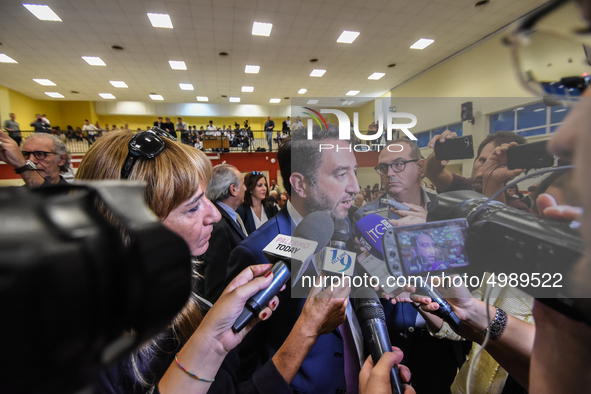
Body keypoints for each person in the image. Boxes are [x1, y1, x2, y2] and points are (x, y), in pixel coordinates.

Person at [75, 130, 289, 394]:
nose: (214, 215)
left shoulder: (195, 305)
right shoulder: (83, 354)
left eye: (206, 199)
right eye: (192, 207)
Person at [224, 125, 362, 394]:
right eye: (341, 174)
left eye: (354, 171)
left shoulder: (347, 228)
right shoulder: (256, 253)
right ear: (300, 184)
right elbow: (243, 364)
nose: (355, 187)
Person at [424, 130, 530, 210]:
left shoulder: (518, 209)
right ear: (475, 161)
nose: (485, 170)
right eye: (483, 161)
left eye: (498, 166)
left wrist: (493, 181)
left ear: (512, 174)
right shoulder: (462, 186)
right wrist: (442, 151)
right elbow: (432, 172)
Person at [197, 164, 249, 303]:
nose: (245, 188)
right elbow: (216, 284)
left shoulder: (230, 217)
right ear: (233, 189)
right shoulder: (218, 226)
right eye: (243, 184)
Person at [0, 131, 71, 187]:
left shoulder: (74, 195)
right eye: (26, 154)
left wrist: (22, 165)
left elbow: (48, 197)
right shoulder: (14, 197)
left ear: (62, 159)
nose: (30, 160)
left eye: (40, 154)